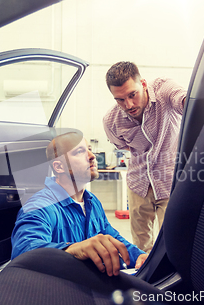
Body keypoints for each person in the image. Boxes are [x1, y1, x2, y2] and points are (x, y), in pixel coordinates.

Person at [11, 131, 148, 277]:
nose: (92, 156)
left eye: (89, 149)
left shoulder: (91, 201)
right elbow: (23, 251)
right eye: (80, 151)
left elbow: (110, 235)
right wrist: (73, 250)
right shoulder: (40, 206)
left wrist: (138, 256)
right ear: (59, 167)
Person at [103, 61, 186, 253]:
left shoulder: (164, 89)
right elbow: (123, 147)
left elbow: (188, 103)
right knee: (141, 245)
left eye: (132, 95)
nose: (129, 104)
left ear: (143, 84)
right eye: (120, 99)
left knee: (173, 244)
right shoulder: (111, 121)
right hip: (138, 185)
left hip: (169, 182)